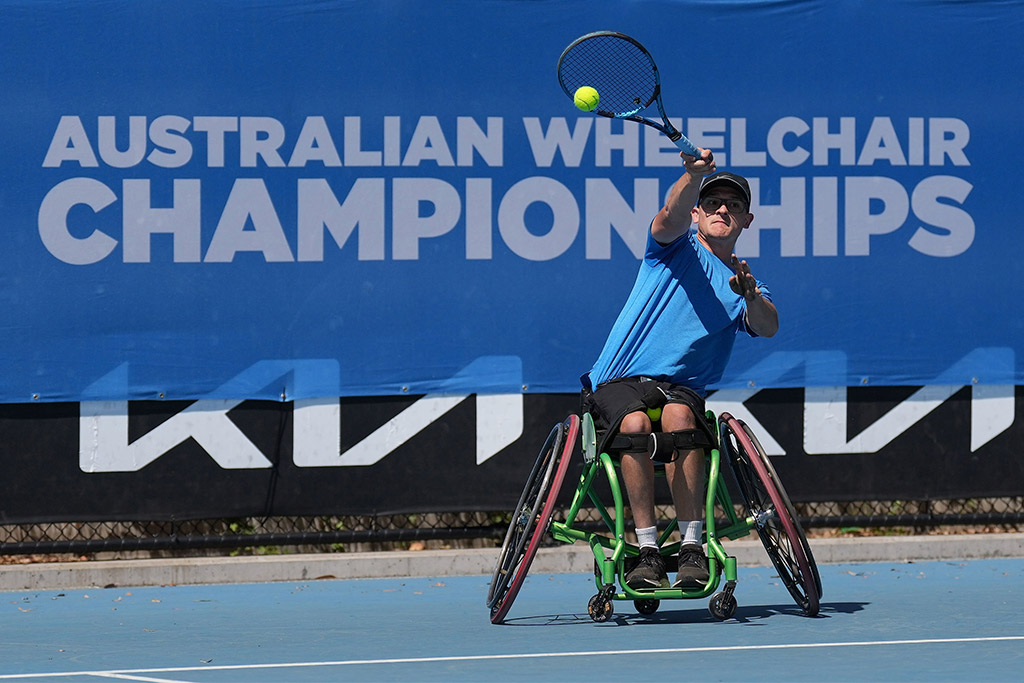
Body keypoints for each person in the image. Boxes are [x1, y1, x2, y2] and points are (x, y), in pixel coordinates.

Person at [580, 151, 777, 591]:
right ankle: (647, 547)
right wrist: (692, 174)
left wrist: (749, 297)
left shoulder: (745, 281)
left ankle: (691, 546)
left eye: (733, 205)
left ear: (747, 220)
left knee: (681, 418)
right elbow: (669, 214)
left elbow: (767, 326)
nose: (722, 209)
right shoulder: (673, 246)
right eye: (712, 202)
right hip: (620, 379)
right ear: (698, 212)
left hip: (680, 390)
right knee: (633, 421)